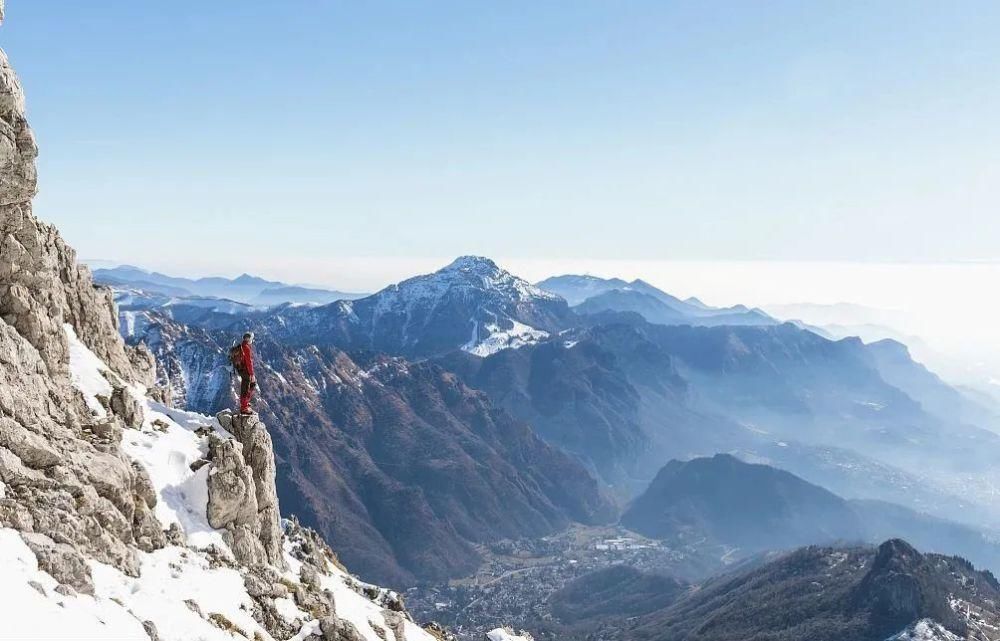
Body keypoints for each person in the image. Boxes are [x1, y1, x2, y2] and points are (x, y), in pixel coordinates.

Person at [237, 332, 256, 414]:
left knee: (248, 386)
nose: (252, 340)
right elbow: (249, 362)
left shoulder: (241, 346)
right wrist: (252, 374)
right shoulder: (246, 347)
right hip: (246, 371)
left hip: (241, 370)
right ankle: (244, 407)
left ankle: (245, 403)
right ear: (248, 338)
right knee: (247, 387)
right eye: (251, 338)